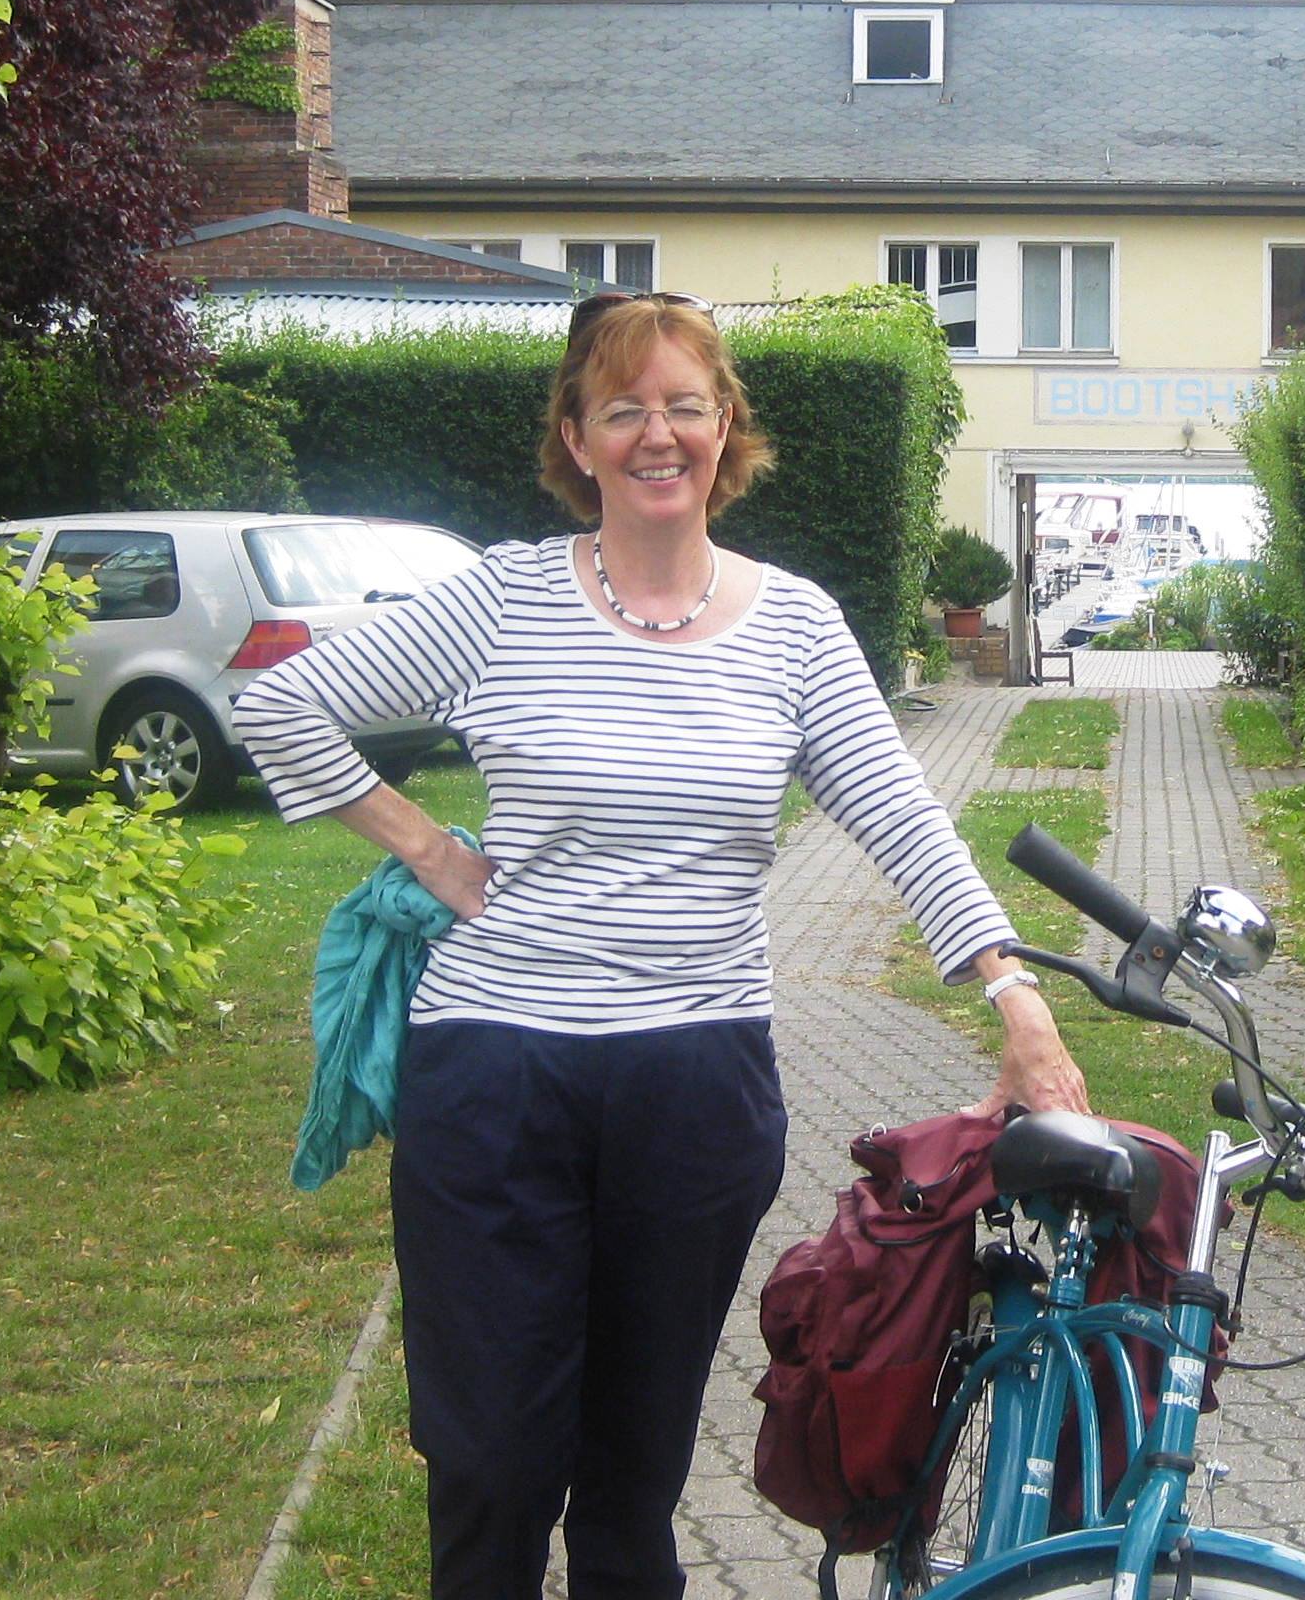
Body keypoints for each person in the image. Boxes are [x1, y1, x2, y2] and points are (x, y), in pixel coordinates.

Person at [235, 291, 1088, 1600]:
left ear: (724, 428)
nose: (657, 433)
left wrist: (1015, 997)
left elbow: (904, 817)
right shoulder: (504, 599)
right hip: (497, 1078)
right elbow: (281, 706)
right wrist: (428, 850)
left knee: (632, 1483)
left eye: (685, 405)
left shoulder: (795, 626)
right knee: (493, 1463)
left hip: (694, 1089)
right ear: (576, 438)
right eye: (622, 408)